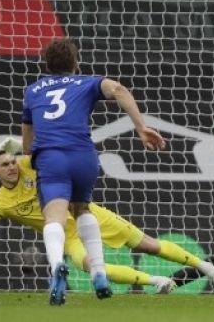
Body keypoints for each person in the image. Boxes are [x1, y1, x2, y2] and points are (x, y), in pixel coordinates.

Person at [0, 138, 214, 295]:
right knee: (92, 267)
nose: (11, 167)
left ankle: (205, 267)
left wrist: (21, 146)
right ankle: (156, 280)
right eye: (4, 165)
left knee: (148, 245)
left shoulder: (29, 164)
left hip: (87, 212)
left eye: (12, 161)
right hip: (68, 235)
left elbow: (47, 149)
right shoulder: (1, 202)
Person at [21, 38, 167, 305]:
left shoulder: (33, 90)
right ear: (76, 63)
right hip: (82, 155)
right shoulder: (88, 82)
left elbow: (28, 140)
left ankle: (56, 269)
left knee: (54, 215)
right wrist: (140, 127)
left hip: (51, 157)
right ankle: (99, 272)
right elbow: (119, 89)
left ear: (47, 64)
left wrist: (29, 156)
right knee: (82, 209)